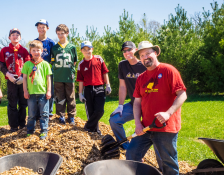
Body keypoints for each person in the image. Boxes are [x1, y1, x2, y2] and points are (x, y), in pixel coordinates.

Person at [126, 41, 187, 175]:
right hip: (146, 128)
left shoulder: (168, 70)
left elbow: (182, 94)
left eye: (148, 53)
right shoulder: (141, 78)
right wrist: (137, 123)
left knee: (168, 164)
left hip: (165, 127)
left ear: (155, 53)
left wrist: (168, 113)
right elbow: (137, 103)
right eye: (142, 55)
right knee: (131, 154)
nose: (145, 57)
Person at [109, 41, 146, 149]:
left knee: (153, 133)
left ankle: (162, 163)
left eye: (129, 49)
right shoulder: (122, 65)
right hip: (133, 104)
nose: (127, 52)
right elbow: (122, 86)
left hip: (148, 105)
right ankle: (126, 147)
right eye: (124, 51)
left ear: (135, 50)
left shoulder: (143, 65)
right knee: (114, 120)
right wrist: (120, 106)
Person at [77, 41, 111, 134]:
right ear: (81, 51)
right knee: (91, 112)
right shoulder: (81, 64)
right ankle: (95, 131)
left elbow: (105, 72)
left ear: (92, 49)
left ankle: (88, 126)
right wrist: (80, 94)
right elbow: (80, 80)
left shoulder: (99, 59)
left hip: (99, 88)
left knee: (99, 111)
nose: (87, 51)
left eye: (89, 49)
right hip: (87, 90)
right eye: (84, 49)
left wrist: (108, 85)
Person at [0, 28, 30, 132]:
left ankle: (22, 124)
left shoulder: (24, 51)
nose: (15, 36)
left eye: (17, 35)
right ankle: (13, 126)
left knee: (23, 103)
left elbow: (28, 65)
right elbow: (2, 65)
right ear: (9, 37)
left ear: (20, 38)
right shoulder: (4, 50)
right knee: (12, 103)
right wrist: (8, 74)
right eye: (13, 34)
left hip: (22, 80)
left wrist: (23, 77)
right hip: (11, 80)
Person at [22, 40, 52, 139]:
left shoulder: (45, 64)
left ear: (42, 51)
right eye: (33, 50)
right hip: (31, 93)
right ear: (30, 51)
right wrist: (25, 91)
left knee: (44, 114)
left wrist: (48, 91)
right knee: (31, 114)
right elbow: (25, 78)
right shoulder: (27, 64)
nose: (36, 52)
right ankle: (30, 130)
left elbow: (48, 78)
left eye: (38, 50)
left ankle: (44, 131)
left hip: (43, 93)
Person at [51, 24, 77, 125]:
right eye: (58, 34)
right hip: (58, 76)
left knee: (71, 97)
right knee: (59, 96)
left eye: (62, 33)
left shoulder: (72, 47)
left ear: (67, 33)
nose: (60, 36)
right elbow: (52, 62)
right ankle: (61, 115)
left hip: (69, 76)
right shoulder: (54, 48)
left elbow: (74, 61)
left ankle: (71, 116)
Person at [34, 19, 55, 119]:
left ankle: (49, 112)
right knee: (38, 91)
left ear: (47, 28)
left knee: (50, 91)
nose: (41, 29)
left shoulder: (51, 43)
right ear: (37, 28)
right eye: (39, 27)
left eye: (43, 27)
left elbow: (54, 57)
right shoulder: (34, 42)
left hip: (48, 71)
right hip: (37, 71)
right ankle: (39, 112)